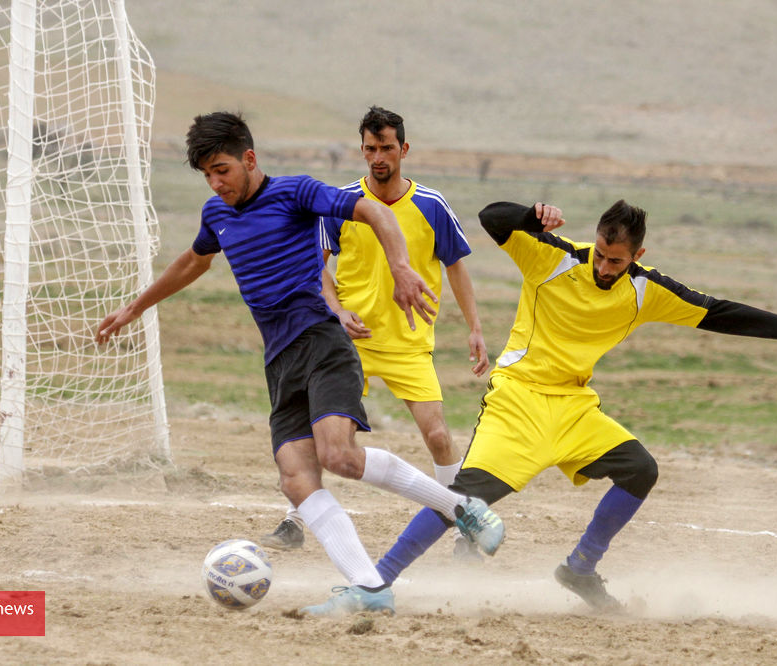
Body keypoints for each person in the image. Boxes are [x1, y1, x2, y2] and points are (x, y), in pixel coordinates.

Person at [93, 111, 506, 617]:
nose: (216, 183)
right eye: (207, 175)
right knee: (296, 478)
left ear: (249, 158)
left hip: (323, 343)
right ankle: (370, 588)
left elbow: (375, 214)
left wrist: (400, 265)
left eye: (222, 170)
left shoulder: (296, 193)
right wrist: (135, 307)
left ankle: (461, 507)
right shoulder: (216, 214)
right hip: (279, 360)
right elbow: (194, 261)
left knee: (339, 456)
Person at [364, 198, 777, 612]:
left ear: (637, 256)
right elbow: (492, 218)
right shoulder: (553, 257)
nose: (604, 267)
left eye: (616, 261)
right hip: (518, 401)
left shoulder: (646, 289)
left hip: (574, 407)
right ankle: (375, 582)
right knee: (463, 500)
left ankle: (580, 568)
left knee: (640, 469)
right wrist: (533, 215)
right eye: (600, 255)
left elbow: (715, 311)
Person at [260, 106, 490, 558]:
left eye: (387, 147)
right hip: (347, 343)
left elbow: (456, 268)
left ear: (404, 149)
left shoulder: (432, 204)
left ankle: (463, 528)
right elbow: (316, 267)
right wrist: (337, 310)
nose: (378, 156)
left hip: (409, 344)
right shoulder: (343, 203)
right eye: (370, 148)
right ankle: (294, 520)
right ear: (362, 150)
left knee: (438, 436)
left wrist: (475, 328)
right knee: (322, 436)